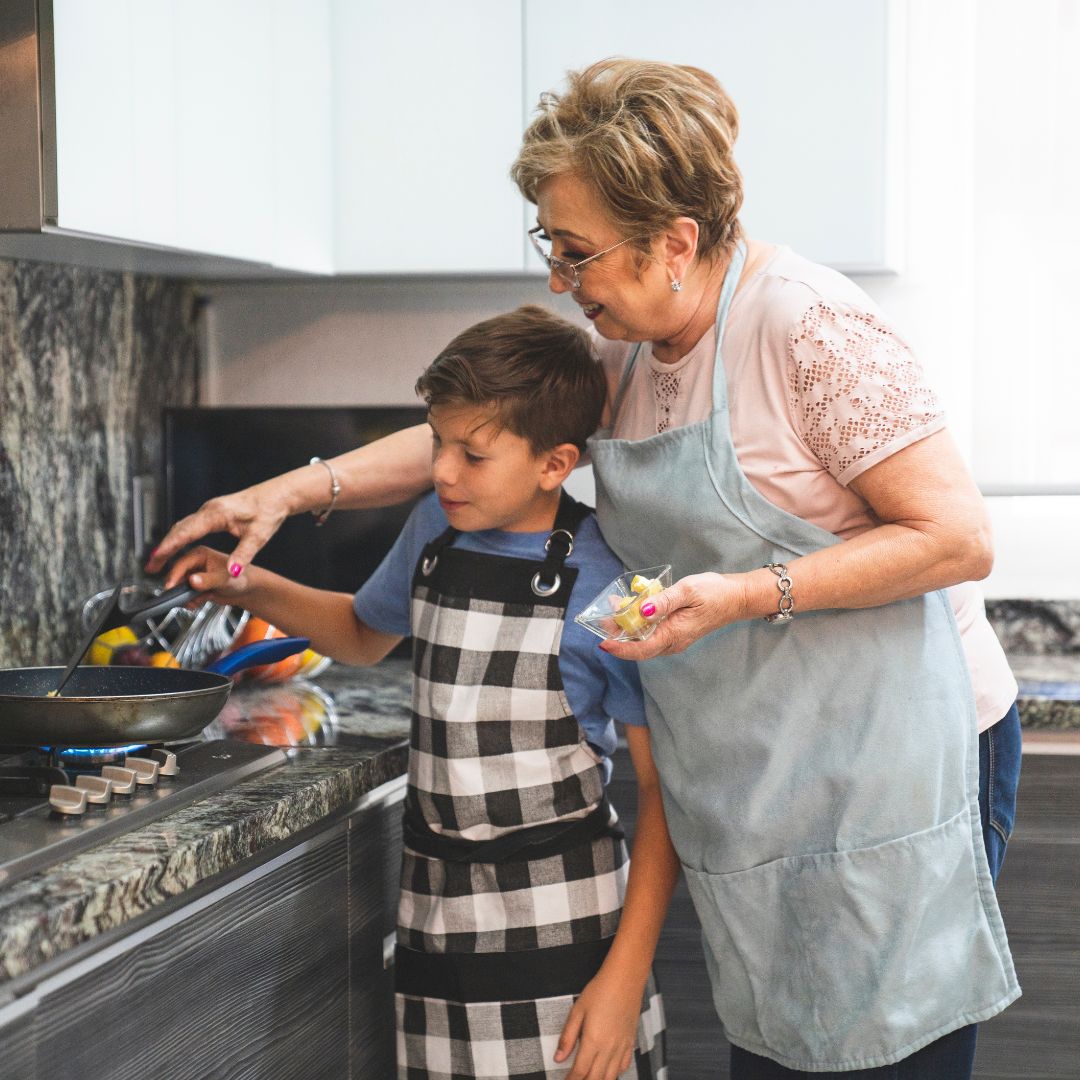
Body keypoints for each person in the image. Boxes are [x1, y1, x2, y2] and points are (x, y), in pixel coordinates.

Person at [152, 59, 1022, 1078]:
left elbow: (959, 538)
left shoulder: (807, 329)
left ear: (674, 244)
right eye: (550, 248)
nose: (558, 282)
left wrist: (745, 594)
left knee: (885, 1052)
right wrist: (295, 492)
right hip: (763, 750)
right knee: (783, 1051)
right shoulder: (625, 351)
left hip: (892, 756)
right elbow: (480, 437)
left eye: (575, 252)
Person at [167, 304, 673, 1080]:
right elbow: (362, 634)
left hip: (569, 933)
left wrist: (623, 978)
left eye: (473, 453)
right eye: (437, 441)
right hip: (436, 922)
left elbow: (663, 795)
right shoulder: (431, 536)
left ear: (553, 462)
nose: (441, 470)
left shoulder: (606, 581)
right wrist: (247, 585)